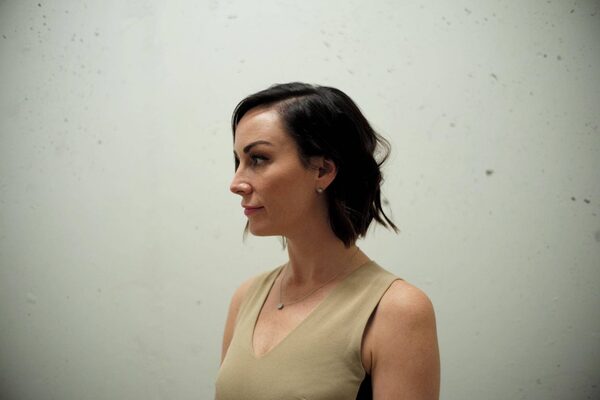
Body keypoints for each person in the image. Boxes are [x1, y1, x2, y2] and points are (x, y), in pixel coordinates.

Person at [215, 83, 440, 400]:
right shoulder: (246, 297)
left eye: (259, 159)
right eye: (238, 161)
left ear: (322, 170)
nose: (236, 183)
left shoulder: (397, 310)